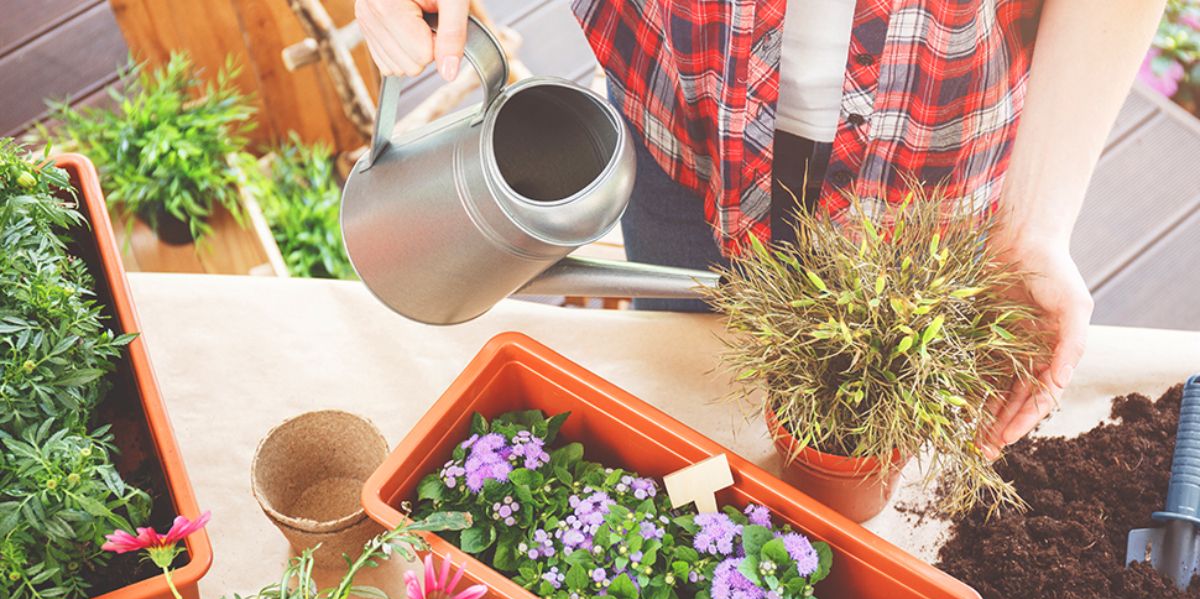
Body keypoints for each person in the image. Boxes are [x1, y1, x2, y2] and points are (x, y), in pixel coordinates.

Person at [353, 0, 1167, 456]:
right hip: (685, 108)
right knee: (684, 398)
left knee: (867, 427)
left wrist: (1036, 223)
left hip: (924, 158)